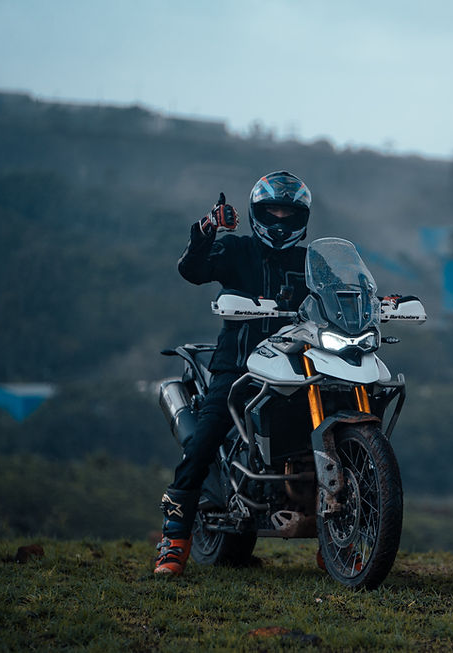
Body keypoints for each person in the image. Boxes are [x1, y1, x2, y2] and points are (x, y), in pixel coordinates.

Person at [154, 171, 314, 575]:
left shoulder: (310, 261)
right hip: (238, 366)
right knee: (205, 439)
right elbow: (192, 270)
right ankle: (173, 541)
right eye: (271, 211)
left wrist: (370, 298)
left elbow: (338, 293)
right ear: (255, 213)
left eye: (288, 213)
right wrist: (208, 227)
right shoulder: (236, 250)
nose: (279, 220)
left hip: (297, 365)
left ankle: (340, 536)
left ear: (302, 218)